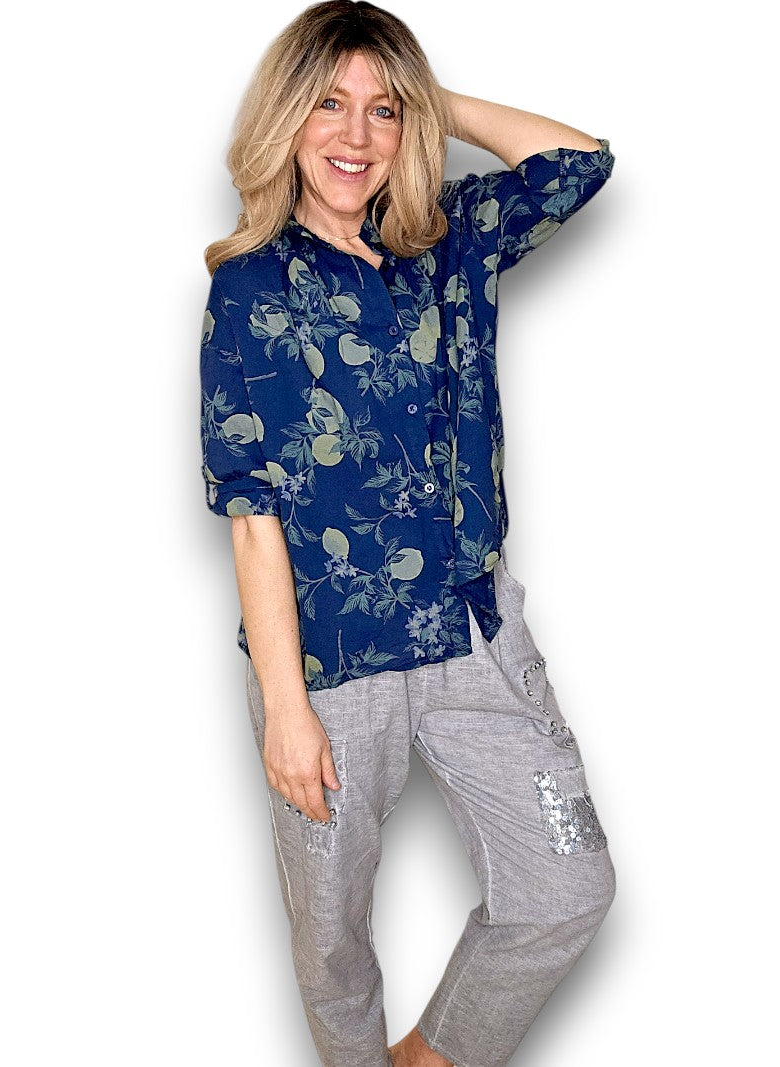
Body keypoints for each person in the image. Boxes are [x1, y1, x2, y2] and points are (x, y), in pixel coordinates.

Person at [198, 3, 616, 1064]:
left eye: (382, 111)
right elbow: (252, 519)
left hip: (474, 631)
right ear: (287, 117)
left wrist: (429, 101)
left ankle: (425, 1057)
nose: (356, 135)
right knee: (331, 939)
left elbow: (579, 162)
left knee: (566, 885)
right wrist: (286, 709)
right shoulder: (252, 290)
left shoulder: (449, 240)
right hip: (330, 661)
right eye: (328, 104)